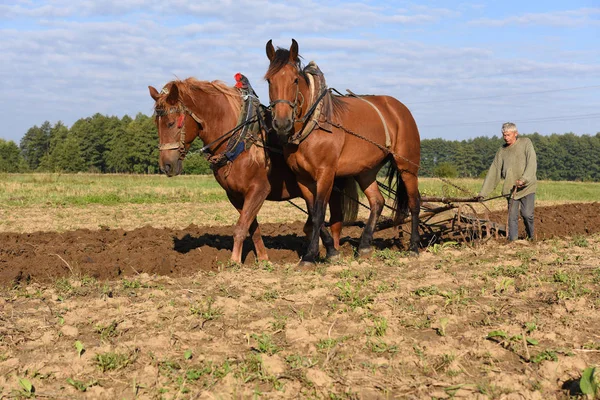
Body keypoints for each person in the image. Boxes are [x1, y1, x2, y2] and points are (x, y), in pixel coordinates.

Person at [477, 122, 537, 241]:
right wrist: (483, 193)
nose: (506, 137)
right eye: (504, 135)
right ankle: (512, 241)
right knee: (512, 217)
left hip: (527, 187)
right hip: (511, 189)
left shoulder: (526, 143)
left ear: (516, 133)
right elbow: (494, 172)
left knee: (526, 214)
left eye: (508, 135)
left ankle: (531, 237)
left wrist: (524, 179)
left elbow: (532, 163)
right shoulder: (502, 151)